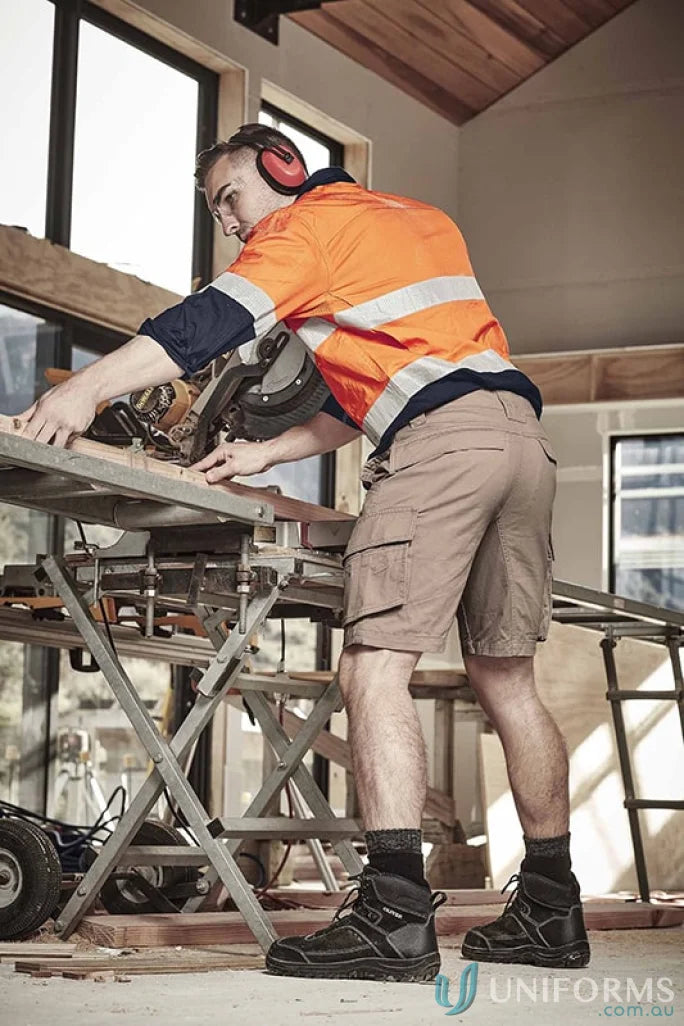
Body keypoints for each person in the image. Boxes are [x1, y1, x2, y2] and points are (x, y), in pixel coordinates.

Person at [18, 123, 590, 981]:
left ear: (281, 170)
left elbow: (209, 321)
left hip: (440, 452)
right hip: (519, 443)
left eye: (230, 199)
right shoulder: (416, 221)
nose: (231, 223)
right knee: (507, 677)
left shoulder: (303, 230)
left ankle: (395, 913)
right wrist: (267, 453)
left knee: (373, 670)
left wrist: (87, 389)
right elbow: (392, 381)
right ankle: (552, 910)